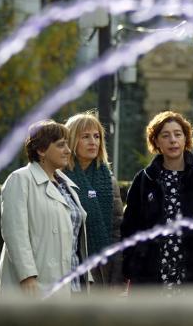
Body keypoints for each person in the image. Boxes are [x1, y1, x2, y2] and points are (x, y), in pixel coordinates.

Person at [121, 111, 193, 292]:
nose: (172, 140)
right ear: (156, 142)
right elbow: (130, 227)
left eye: (178, 134)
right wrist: (134, 263)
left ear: (186, 139)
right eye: (165, 135)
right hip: (152, 275)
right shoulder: (144, 179)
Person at [0, 120, 91, 298]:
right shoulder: (20, 179)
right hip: (35, 285)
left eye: (67, 145)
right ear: (41, 150)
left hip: (74, 286)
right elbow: (15, 234)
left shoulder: (67, 185)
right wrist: (27, 276)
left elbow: (76, 241)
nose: (68, 151)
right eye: (61, 145)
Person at [64, 111, 124, 288]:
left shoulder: (108, 180)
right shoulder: (58, 177)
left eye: (97, 136)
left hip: (100, 272)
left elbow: (117, 230)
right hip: (68, 267)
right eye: (85, 137)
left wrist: (117, 277)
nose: (93, 142)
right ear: (72, 140)